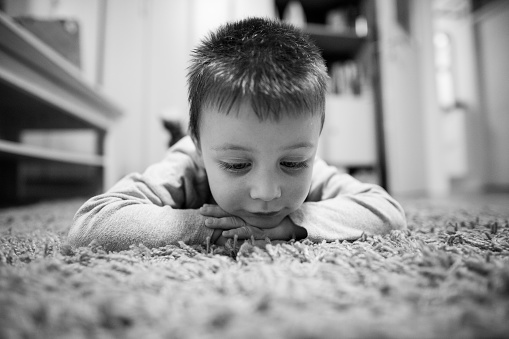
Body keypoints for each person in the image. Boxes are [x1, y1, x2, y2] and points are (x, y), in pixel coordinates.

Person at [68, 17, 406, 252]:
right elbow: (91, 224)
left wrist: (296, 223)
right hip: (188, 145)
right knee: (175, 144)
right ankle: (175, 132)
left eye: (292, 163)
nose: (266, 192)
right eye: (236, 165)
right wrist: (207, 228)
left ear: (315, 144)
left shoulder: (308, 162)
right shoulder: (187, 163)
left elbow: (386, 211)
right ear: (201, 149)